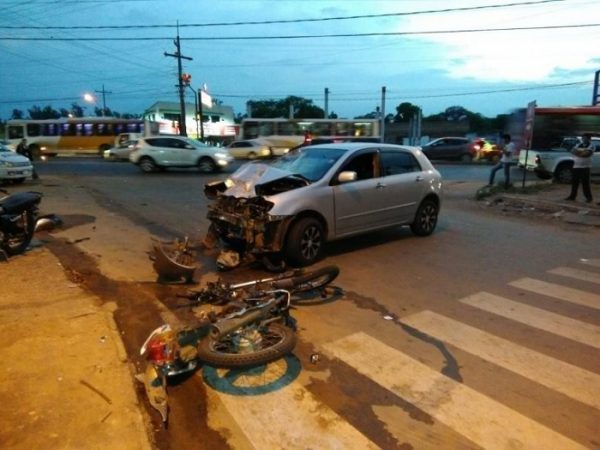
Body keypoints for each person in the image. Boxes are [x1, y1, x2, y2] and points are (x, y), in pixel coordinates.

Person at [565, 133, 594, 203]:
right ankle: (572, 196)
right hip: (576, 166)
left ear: (589, 139)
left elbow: (586, 154)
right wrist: (581, 153)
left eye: (585, 138)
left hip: (585, 167)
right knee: (574, 182)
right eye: (583, 138)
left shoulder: (591, 146)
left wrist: (578, 152)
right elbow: (572, 151)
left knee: (585, 183)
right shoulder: (578, 144)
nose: (583, 139)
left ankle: (589, 198)